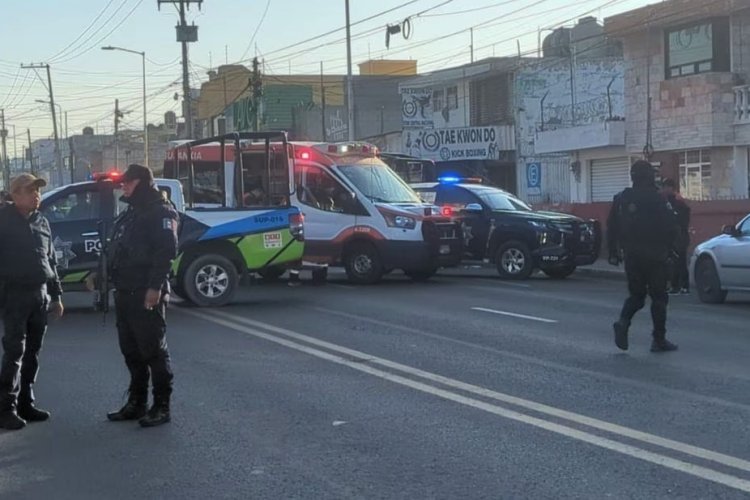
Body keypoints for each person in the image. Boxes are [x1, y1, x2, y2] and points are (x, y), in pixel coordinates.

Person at [106, 164, 178, 428]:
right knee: (131, 351)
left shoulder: (161, 211)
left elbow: (166, 252)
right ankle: (137, 403)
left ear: (142, 182)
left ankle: (162, 406)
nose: (123, 186)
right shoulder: (132, 212)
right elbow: (118, 247)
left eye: (128, 182)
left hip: (145, 291)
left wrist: (155, 287)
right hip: (125, 291)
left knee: (153, 350)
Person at [0, 174, 64, 431]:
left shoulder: (42, 222)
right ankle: (6, 407)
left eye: (37, 191)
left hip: (40, 295)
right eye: (30, 190)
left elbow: (51, 261)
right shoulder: (3, 220)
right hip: (14, 295)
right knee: (15, 352)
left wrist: (56, 296)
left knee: (32, 353)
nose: (36, 195)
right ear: (15, 195)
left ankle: (26, 401)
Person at [607, 160, 679, 353]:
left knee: (637, 296)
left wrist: (613, 253)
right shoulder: (658, 199)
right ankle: (659, 339)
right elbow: (671, 227)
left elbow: (611, 227)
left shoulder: (621, 199)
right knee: (659, 298)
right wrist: (672, 250)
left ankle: (623, 322)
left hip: (631, 256)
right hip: (656, 256)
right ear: (649, 177)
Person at [661, 178, 691, 295]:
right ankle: (675, 285)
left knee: (680, 261)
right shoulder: (667, 201)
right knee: (673, 261)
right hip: (672, 236)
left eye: (665, 187)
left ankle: (683, 286)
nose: (663, 190)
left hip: (680, 236)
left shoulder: (678, 202)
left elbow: (682, 219)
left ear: (671, 188)